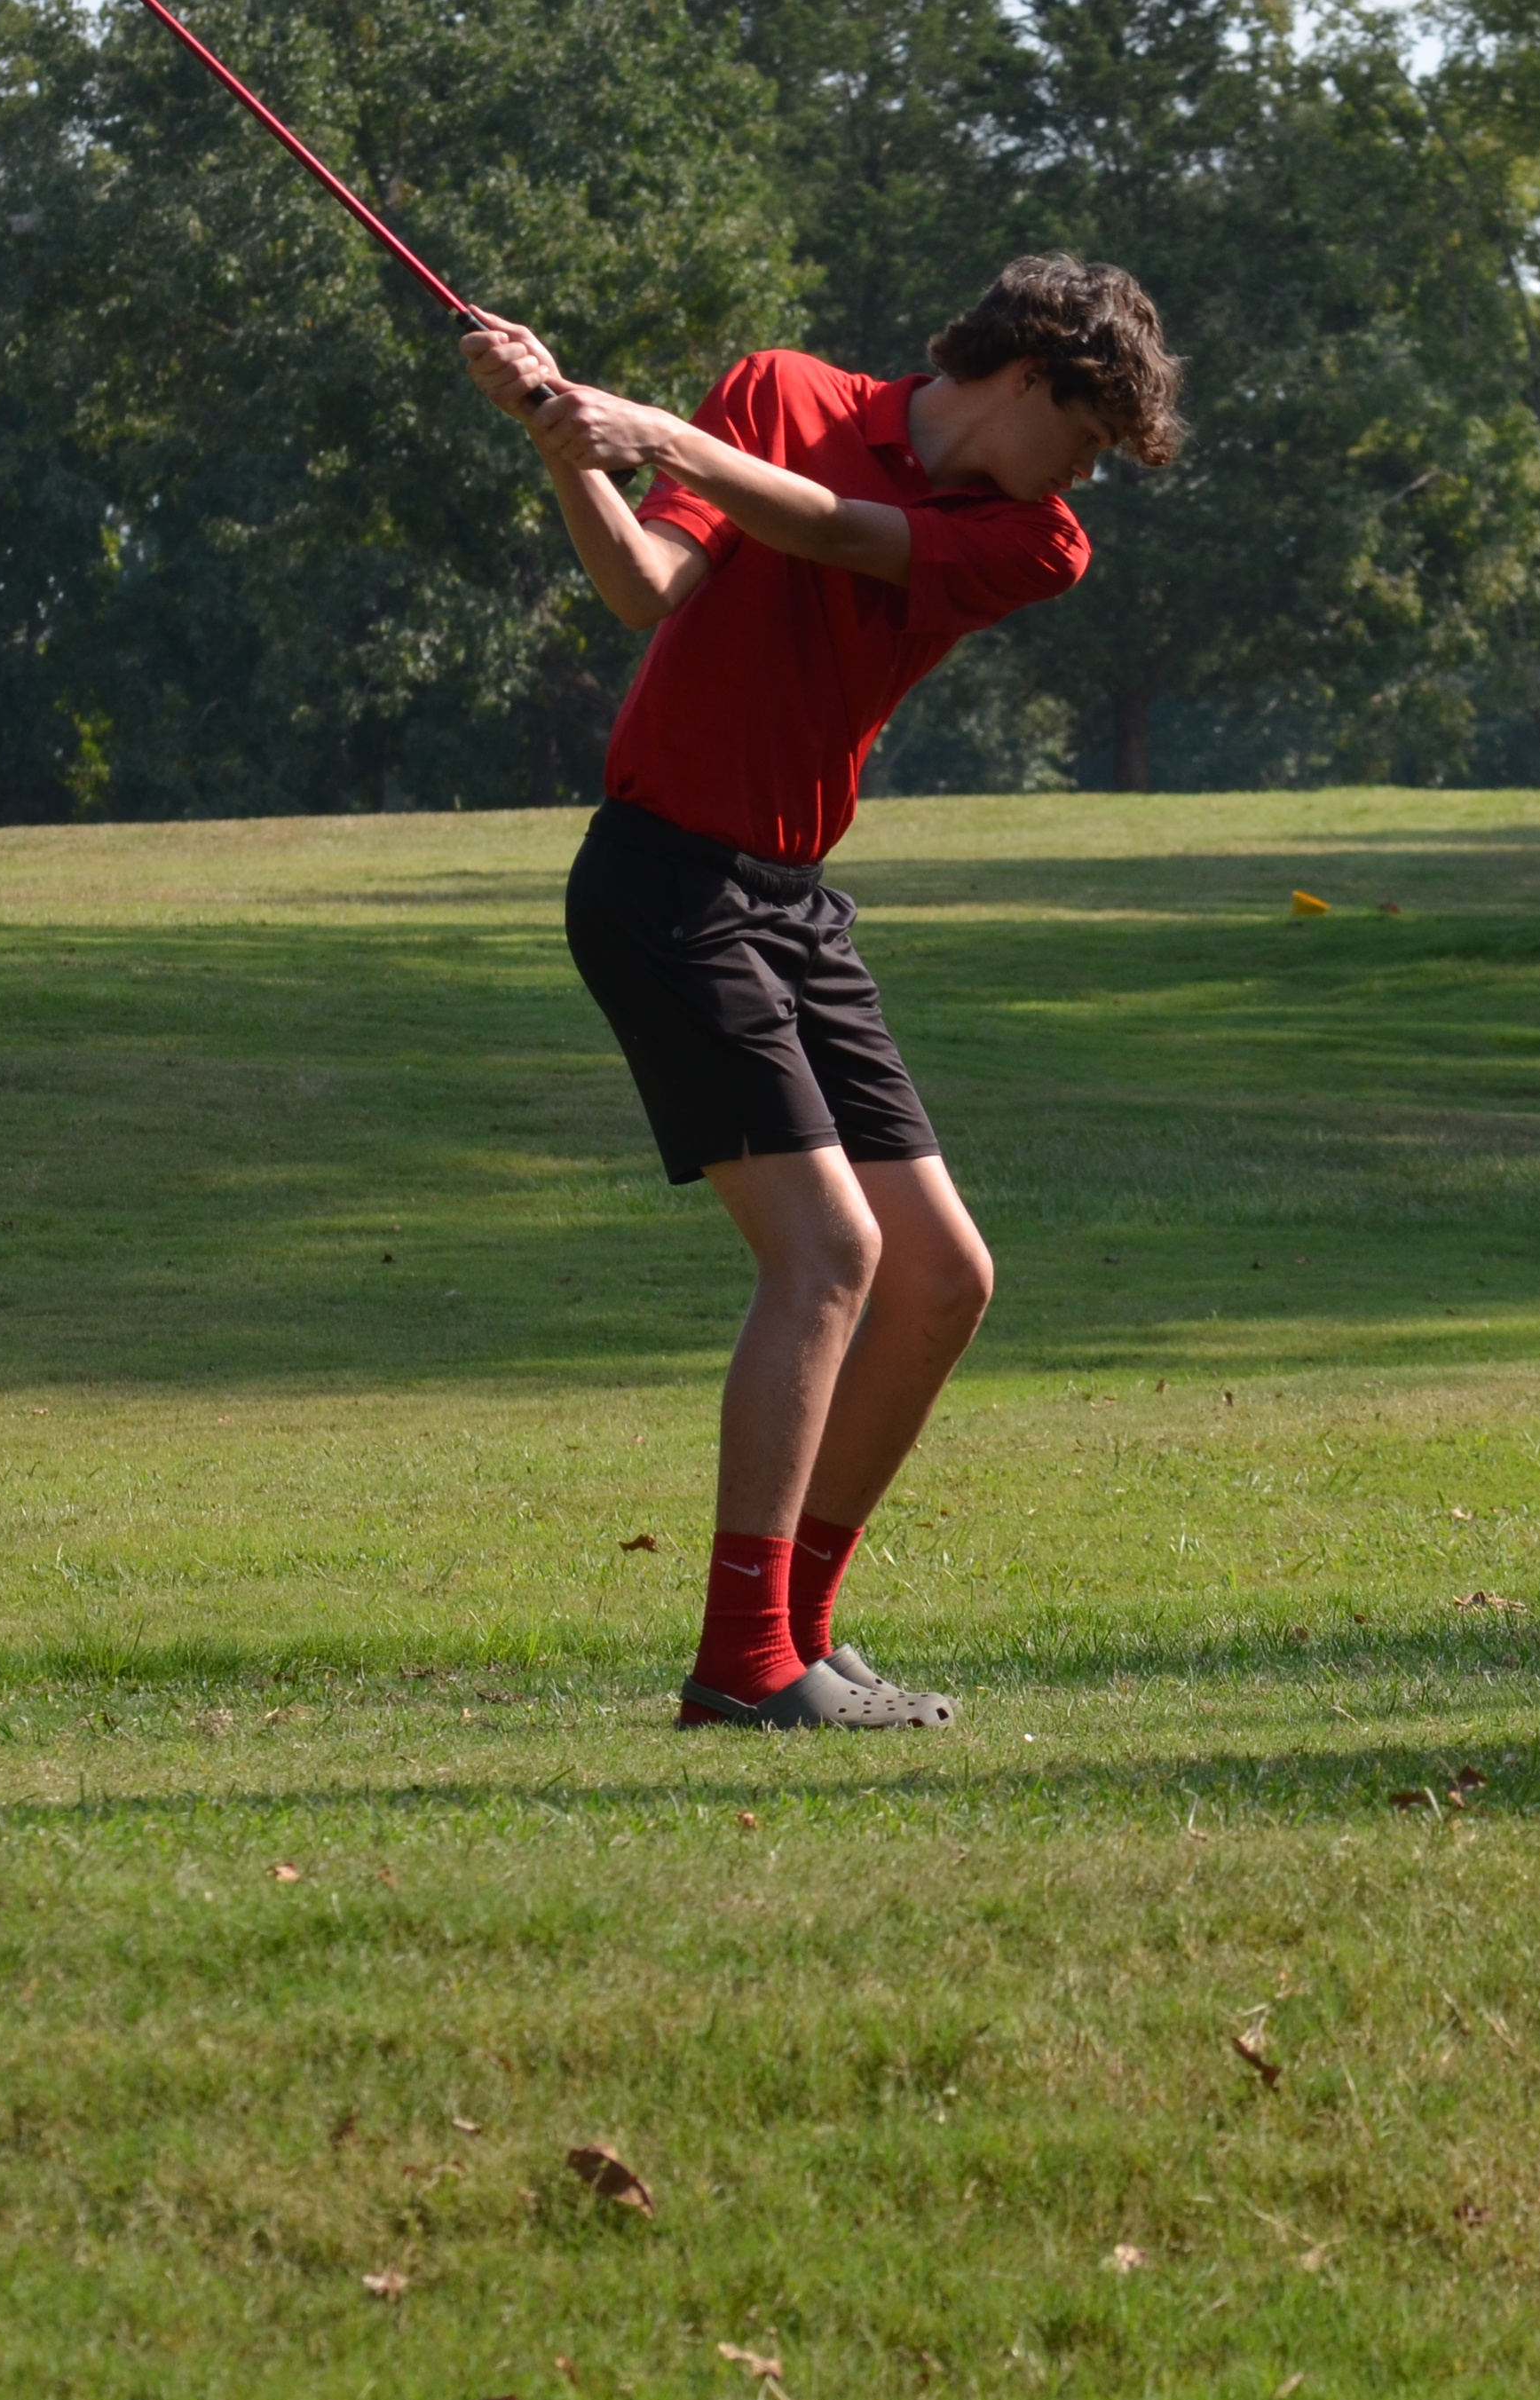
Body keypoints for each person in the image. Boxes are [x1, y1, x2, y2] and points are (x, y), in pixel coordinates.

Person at [459, 255, 1179, 1729]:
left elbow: (846, 533)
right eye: (1092, 439)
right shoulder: (782, 392)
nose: (1087, 479)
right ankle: (741, 1667)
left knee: (944, 1280)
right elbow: (643, 586)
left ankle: (796, 1632)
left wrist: (660, 432)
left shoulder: (1036, 542)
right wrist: (564, 444)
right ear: (1037, 376)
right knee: (830, 1255)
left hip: (791, 902)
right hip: (666, 884)